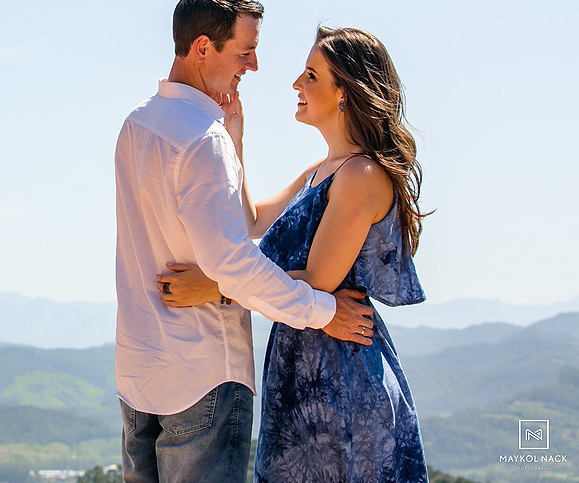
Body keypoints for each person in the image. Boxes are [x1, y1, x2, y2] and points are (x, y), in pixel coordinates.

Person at [114, 0, 376, 483]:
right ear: (203, 47)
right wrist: (322, 311)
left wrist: (233, 140)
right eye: (246, 51)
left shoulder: (137, 125)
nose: (254, 66)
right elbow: (231, 260)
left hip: (139, 370)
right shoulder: (201, 140)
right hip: (203, 374)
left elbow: (240, 222)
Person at [160, 25, 430, 482]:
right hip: (300, 369)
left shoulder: (361, 175)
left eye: (311, 75)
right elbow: (248, 221)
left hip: (339, 379)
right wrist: (235, 137)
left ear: (343, 92)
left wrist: (212, 288)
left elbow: (319, 283)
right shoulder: (320, 172)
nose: (296, 84)